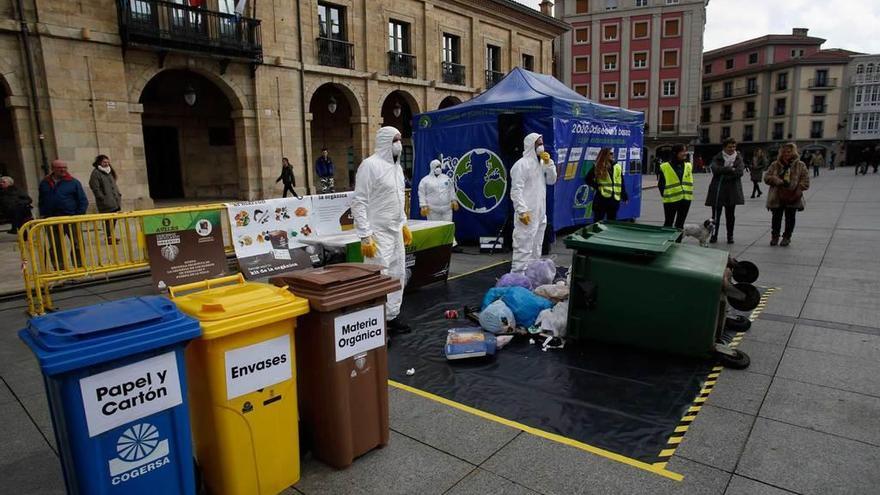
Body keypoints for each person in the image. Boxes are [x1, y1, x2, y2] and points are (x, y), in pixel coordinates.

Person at [351, 126, 412, 334]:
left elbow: (398, 197)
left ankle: (391, 316)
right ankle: (375, 325)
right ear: (386, 141)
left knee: (397, 274)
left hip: (395, 230)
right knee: (378, 277)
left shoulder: (397, 168)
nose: (399, 144)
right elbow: (359, 202)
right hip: (378, 233)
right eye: (396, 140)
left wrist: (403, 223)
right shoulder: (369, 166)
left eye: (400, 139)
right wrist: (365, 235)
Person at [510, 133, 558, 272]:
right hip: (527, 213)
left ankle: (532, 276)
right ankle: (517, 278)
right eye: (539, 143)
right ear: (531, 145)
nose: (542, 146)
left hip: (540, 213)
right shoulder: (521, 165)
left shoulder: (542, 163)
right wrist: (521, 210)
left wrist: (550, 164)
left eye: (542, 143)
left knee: (536, 247)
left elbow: (551, 180)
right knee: (523, 247)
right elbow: (516, 190)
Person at [38, 159, 88, 268]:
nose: (63, 170)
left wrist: (78, 215)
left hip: (70, 218)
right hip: (52, 219)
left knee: (77, 243)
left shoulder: (73, 182)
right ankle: (59, 267)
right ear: (53, 169)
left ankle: (79, 265)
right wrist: (43, 214)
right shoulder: (45, 183)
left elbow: (83, 200)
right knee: (55, 245)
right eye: (60, 168)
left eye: (65, 167)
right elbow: (41, 200)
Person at [764, 143, 810, 247]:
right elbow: (766, 178)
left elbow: (806, 180)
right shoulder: (775, 164)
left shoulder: (800, 165)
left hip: (793, 195)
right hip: (777, 196)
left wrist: (799, 188)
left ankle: (787, 237)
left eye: (789, 152)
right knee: (776, 218)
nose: (786, 154)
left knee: (790, 218)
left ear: (793, 152)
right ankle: (775, 236)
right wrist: (776, 180)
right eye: (784, 152)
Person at [705, 138, 745, 244]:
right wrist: (729, 169)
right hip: (718, 190)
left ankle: (730, 236)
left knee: (730, 215)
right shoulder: (717, 157)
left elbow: (740, 172)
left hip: (732, 191)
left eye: (734, 147)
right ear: (724, 147)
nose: (732, 149)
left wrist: (725, 172)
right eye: (730, 147)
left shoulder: (738, 158)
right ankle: (714, 235)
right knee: (715, 215)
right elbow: (715, 170)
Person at [418, 159, 460, 246]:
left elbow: (451, 190)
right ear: (432, 167)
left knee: (448, 226)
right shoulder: (425, 180)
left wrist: (454, 200)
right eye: (437, 167)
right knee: (435, 227)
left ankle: (451, 244)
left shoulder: (446, 178)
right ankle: (435, 244)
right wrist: (423, 205)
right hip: (433, 209)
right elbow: (421, 193)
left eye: (440, 166)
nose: (439, 168)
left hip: (447, 208)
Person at [585, 147, 628, 221]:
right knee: (598, 222)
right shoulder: (598, 166)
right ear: (605, 154)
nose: (612, 155)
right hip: (602, 198)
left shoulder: (617, 166)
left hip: (614, 200)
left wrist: (624, 196)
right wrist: (597, 186)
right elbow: (588, 179)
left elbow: (621, 182)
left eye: (613, 153)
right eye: (610, 153)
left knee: (612, 223)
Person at [658, 144, 693, 230]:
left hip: (686, 199)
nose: (685, 153)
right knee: (668, 223)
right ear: (675, 153)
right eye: (682, 151)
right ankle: (666, 242)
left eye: (685, 151)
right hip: (671, 200)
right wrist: (666, 194)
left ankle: (678, 242)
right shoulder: (665, 166)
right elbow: (660, 184)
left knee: (680, 224)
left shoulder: (688, 166)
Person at [88, 154, 122, 242]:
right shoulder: (96, 173)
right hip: (105, 202)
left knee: (114, 219)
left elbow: (113, 184)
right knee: (108, 220)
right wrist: (101, 197)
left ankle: (111, 235)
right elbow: (95, 187)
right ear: (99, 162)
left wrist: (118, 194)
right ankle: (109, 237)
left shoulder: (109, 171)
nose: (106, 163)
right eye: (104, 162)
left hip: (114, 200)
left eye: (107, 162)